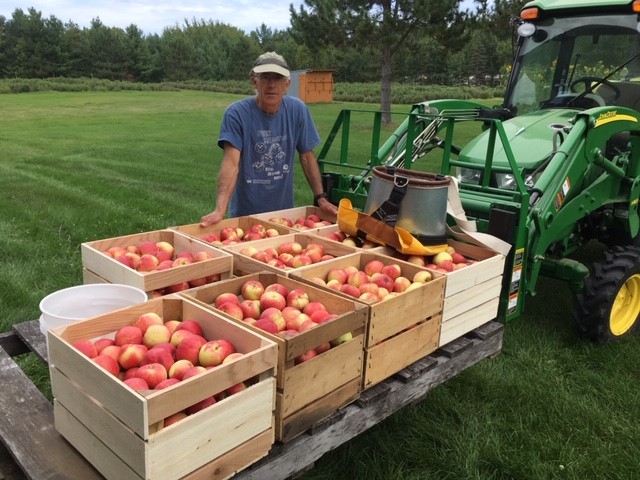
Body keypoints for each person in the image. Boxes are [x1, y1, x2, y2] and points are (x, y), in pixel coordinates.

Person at [200, 51, 337, 227]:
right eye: (265, 77)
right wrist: (220, 210)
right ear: (254, 81)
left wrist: (321, 198)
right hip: (245, 217)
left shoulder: (298, 110)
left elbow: (307, 156)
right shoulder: (236, 114)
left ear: (287, 83)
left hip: (284, 215)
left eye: (278, 78)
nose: (272, 84)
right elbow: (231, 163)